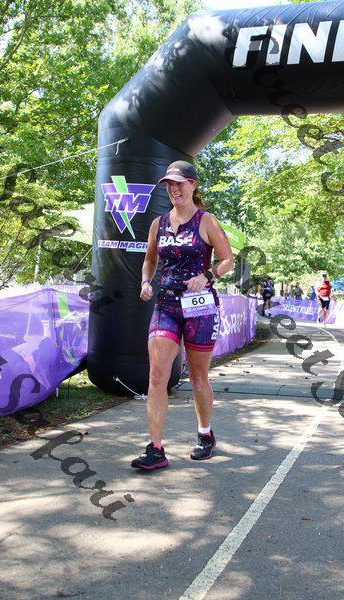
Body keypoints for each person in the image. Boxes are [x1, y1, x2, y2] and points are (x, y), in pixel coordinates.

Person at [131, 160, 234, 471]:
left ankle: (205, 434)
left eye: (179, 183)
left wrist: (208, 275)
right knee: (156, 376)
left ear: (192, 185)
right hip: (166, 305)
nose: (174, 189)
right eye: (169, 184)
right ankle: (156, 448)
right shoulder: (158, 223)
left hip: (199, 305)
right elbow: (150, 260)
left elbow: (228, 260)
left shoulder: (206, 220)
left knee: (199, 376)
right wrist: (145, 282)